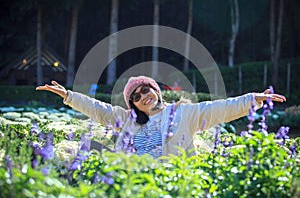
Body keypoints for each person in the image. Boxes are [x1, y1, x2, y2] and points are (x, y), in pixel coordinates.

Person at [36, 76, 286, 158]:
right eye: (136, 96)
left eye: (146, 89)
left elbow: (221, 108)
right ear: (132, 105)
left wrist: (253, 99)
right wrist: (68, 95)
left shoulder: (184, 113)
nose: (143, 96)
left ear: (156, 91)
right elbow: (97, 109)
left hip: (179, 184)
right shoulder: (126, 120)